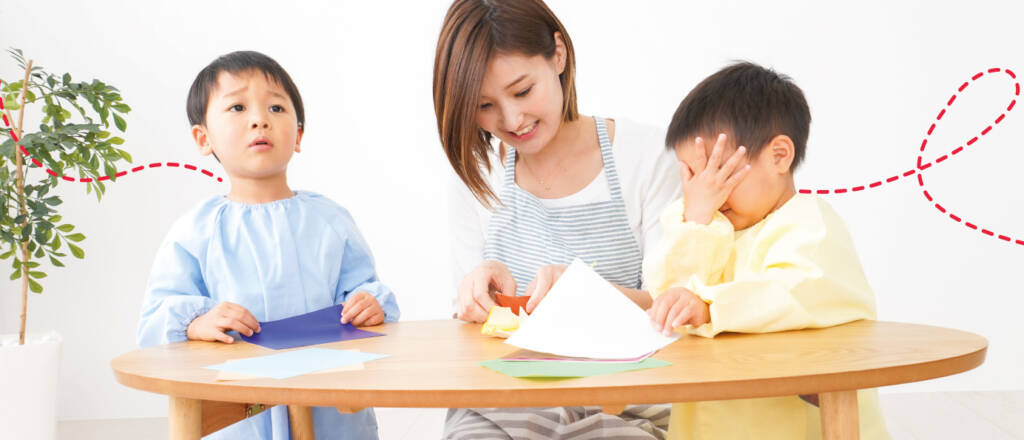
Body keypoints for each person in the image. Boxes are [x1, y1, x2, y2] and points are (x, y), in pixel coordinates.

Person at [434, 0, 681, 438]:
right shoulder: (476, 173)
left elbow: (677, 307)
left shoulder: (647, 156)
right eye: (485, 105)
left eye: (523, 91)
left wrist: (588, 293)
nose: (512, 120)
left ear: (559, 55)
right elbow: (469, 325)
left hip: (626, 398)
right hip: (503, 402)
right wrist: (477, 292)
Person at [137, 51, 398, 440]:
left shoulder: (330, 220)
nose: (259, 119)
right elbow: (155, 320)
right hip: (238, 414)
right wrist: (196, 322)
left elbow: (366, 294)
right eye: (238, 107)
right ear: (203, 138)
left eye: (276, 107)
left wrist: (369, 304)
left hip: (331, 411)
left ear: (299, 135)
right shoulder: (196, 231)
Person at [645, 61, 889, 439]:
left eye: (720, 172)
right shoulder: (708, 230)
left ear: (778, 156)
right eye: (694, 178)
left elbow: (792, 292)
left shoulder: (810, 223)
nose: (708, 192)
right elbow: (668, 293)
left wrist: (709, 305)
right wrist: (696, 220)